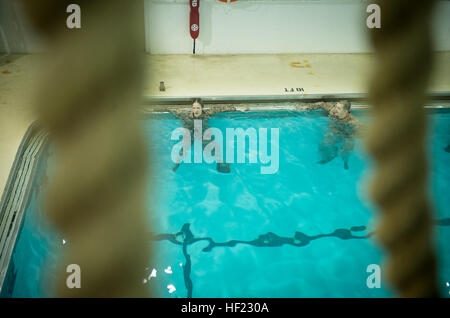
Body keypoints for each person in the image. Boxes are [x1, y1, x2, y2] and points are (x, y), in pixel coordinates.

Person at [171, 99, 235, 173]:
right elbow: (175, 111)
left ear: (202, 108)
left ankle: (220, 163)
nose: (196, 110)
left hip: (203, 133)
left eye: (198, 108)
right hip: (190, 133)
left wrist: (229, 107)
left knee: (210, 151)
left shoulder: (206, 114)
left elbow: (217, 109)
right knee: (183, 149)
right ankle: (177, 165)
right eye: (194, 108)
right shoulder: (186, 115)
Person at [312, 101, 364, 170]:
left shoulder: (354, 122)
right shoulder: (332, 110)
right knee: (324, 144)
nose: (335, 109)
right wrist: (303, 107)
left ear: (345, 111)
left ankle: (345, 161)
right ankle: (329, 156)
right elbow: (321, 104)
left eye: (339, 108)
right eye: (335, 106)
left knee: (345, 152)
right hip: (335, 133)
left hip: (348, 136)